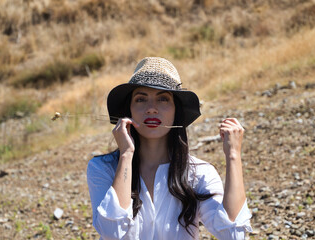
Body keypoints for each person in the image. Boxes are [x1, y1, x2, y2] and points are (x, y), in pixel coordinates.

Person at [87, 57, 252, 240]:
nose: (151, 109)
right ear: (129, 111)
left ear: (176, 111)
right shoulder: (103, 168)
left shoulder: (199, 173)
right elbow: (111, 231)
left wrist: (233, 156)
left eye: (163, 99)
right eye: (141, 99)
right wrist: (126, 154)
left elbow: (232, 235)